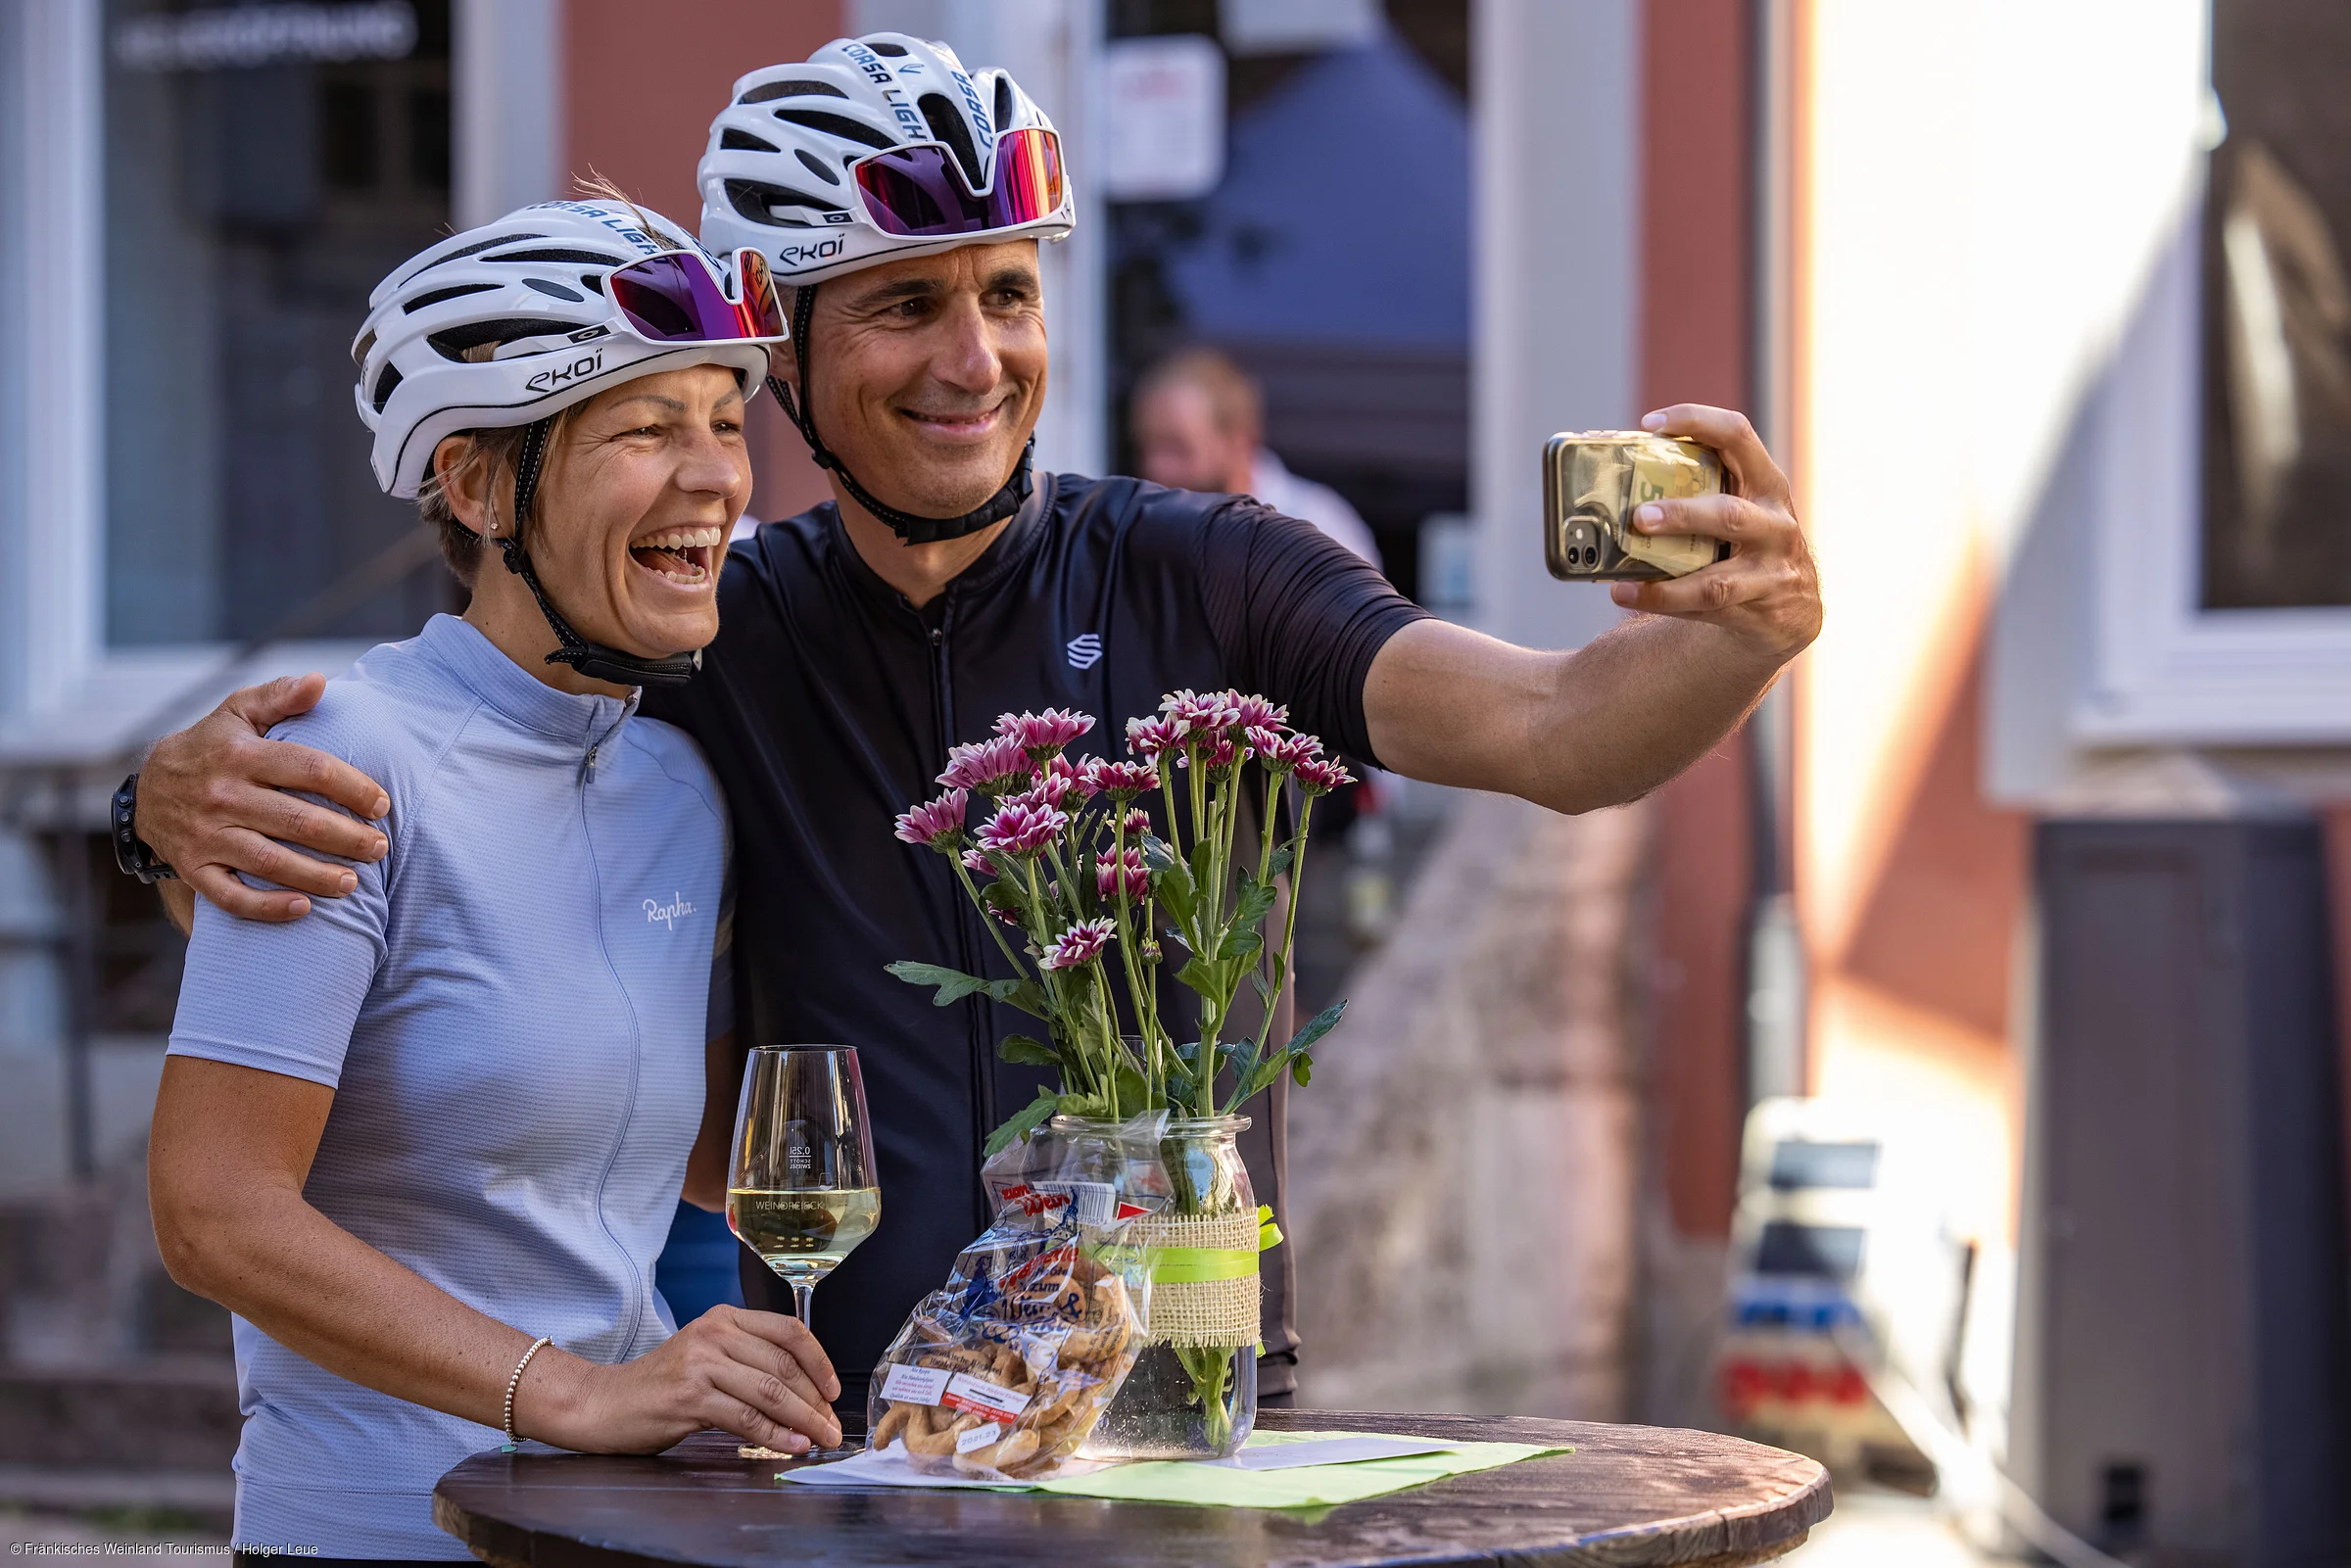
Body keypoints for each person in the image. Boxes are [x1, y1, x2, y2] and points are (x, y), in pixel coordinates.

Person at [127, 33, 1821, 1424]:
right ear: (781, 350)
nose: (976, 356)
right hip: (860, 1442)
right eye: (904, 303)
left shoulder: (1210, 572)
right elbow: (465, 724)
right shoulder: (713, 628)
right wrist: (162, 801)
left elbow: (1556, 731)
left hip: (1183, 1415)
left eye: (1006, 294)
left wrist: (1741, 638)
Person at [143, 198, 840, 1561]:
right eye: (645, 428)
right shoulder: (350, 756)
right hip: (371, 1531)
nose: (715, 475)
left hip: (614, 1530)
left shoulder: (677, 789)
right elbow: (213, 1210)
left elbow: (685, 1158)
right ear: (473, 485)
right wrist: (575, 1390)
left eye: (722, 417)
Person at [1130, 345, 1383, 567]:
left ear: (1240, 442)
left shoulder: (1320, 528)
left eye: (1177, 448)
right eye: (1146, 447)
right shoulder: (1146, 529)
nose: (1154, 467)